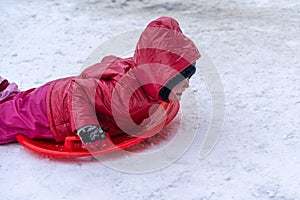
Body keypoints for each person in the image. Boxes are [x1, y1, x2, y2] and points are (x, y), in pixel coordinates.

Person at [0, 16, 200, 150]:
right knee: (8, 120)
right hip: (54, 110)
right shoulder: (125, 93)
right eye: (181, 81)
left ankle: (6, 93)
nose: (187, 86)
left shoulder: (142, 75)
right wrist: (89, 129)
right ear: (160, 80)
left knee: (20, 104)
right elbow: (79, 91)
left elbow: (113, 61)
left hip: (57, 93)